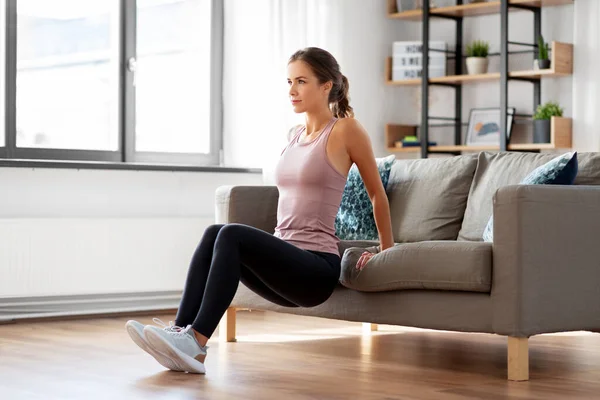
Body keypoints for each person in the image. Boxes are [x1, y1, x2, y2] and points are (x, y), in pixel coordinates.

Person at [125, 47, 394, 374]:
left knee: (232, 234)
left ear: (326, 86)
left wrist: (387, 249)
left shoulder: (346, 130)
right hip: (285, 262)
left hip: (315, 270)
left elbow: (376, 193)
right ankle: (181, 333)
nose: (292, 90)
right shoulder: (294, 135)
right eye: (289, 81)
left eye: (301, 81)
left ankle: (196, 341)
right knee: (214, 233)